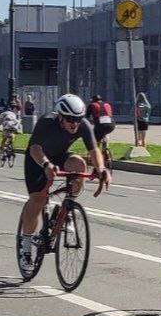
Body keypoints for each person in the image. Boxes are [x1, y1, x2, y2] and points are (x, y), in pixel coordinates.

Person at [18, 94, 112, 275]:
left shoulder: (83, 125)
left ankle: (67, 208)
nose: (74, 124)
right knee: (38, 199)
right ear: (60, 116)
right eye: (70, 119)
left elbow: (94, 150)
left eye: (77, 119)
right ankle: (26, 246)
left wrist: (101, 169)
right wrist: (46, 165)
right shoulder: (46, 122)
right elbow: (35, 148)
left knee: (79, 164)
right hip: (38, 160)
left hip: (59, 155)